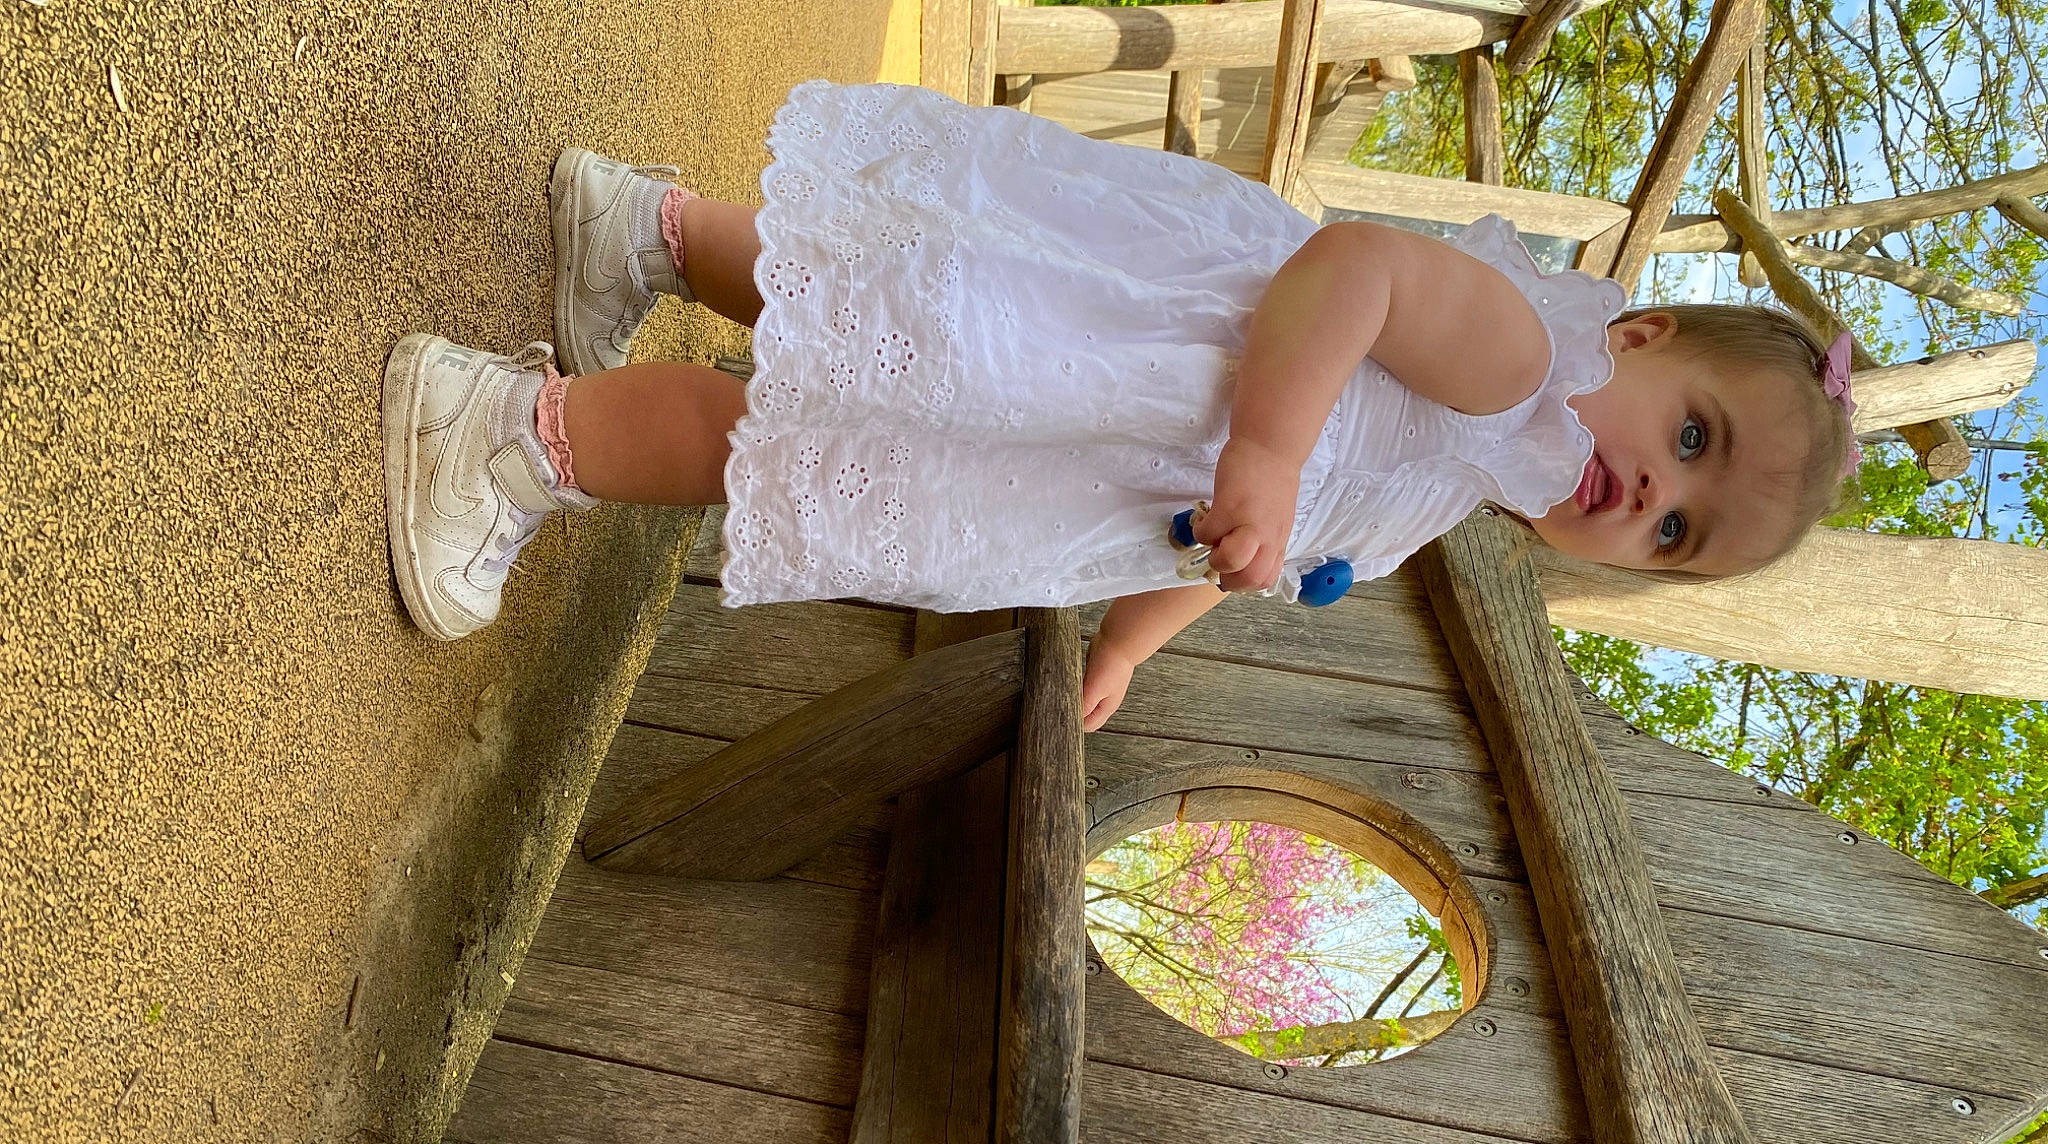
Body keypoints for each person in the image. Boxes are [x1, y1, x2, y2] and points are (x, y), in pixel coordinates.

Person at [383, 80, 1859, 732]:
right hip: (1128, 362)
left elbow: (1247, 552)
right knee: (811, 445)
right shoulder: (1526, 371)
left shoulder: (1459, 494)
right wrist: (1272, 448)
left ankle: (639, 230)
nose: (1649, 495)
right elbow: (1358, 272)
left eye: (1678, 533)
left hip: (1069, 393)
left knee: (866, 311)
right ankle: (510, 439)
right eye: (1690, 439)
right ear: (1643, 334)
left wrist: (1137, 636)